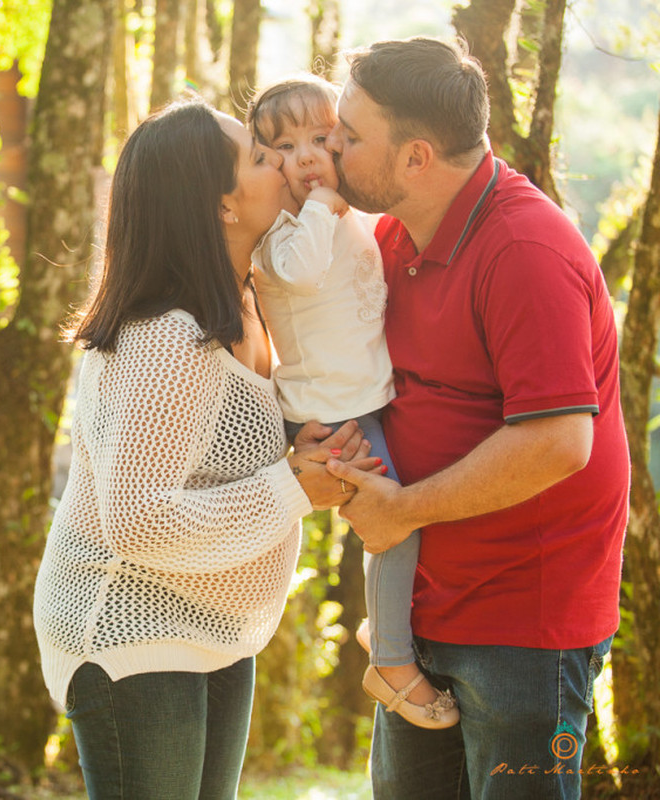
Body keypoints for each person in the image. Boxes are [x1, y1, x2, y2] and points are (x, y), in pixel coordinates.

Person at [32, 95, 379, 799]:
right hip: (132, 629)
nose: (283, 161)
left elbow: (207, 442)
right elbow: (140, 519)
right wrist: (294, 488)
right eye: (259, 156)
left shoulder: (247, 299)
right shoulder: (165, 335)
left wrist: (291, 436)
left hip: (216, 625)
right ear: (221, 205)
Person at [323, 37, 630, 799]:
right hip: (423, 602)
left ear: (416, 157)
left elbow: (561, 441)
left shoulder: (525, 249)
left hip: (524, 618)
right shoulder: (391, 236)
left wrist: (403, 509)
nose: (333, 145)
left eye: (351, 135)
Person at [245, 75, 458, 730]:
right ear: (261, 162)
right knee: (393, 525)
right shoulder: (281, 235)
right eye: (283, 145)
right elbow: (304, 269)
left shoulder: (345, 212)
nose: (306, 154)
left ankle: (390, 637)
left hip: (366, 398)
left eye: (321, 137)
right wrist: (324, 203)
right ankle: (390, 659)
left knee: (394, 523)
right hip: (327, 408)